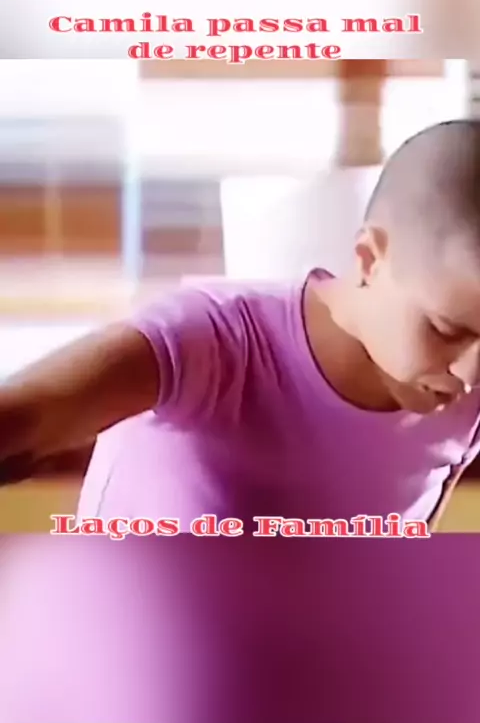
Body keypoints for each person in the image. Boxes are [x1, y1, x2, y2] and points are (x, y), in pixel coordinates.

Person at [2, 118, 480, 532]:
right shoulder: (210, 340)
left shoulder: (463, 404)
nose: (469, 375)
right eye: (446, 330)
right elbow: (28, 418)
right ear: (370, 259)